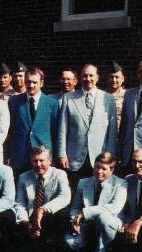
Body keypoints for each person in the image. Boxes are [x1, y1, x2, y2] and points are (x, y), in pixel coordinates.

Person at [57, 64, 118, 192]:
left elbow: (112, 132)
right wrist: (62, 154)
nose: (88, 78)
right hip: (74, 158)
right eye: (85, 75)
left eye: (91, 75)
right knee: (74, 192)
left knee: (98, 193)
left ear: (97, 77)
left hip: (100, 157)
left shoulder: (108, 99)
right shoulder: (68, 98)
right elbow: (62, 129)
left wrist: (110, 155)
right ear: (80, 78)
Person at [64, 152, 127, 252]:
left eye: (104, 169)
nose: (99, 171)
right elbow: (75, 207)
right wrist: (74, 221)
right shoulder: (83, 182)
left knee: (103, 218)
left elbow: (114, 208)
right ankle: (91, 248)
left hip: (110, 223)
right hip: (88, 224)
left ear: (112, 170)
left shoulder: (120, 184)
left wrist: (85, 212)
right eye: (97, 167)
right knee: (71, 242)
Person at [14, 146, 71, 252]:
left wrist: (42, 209)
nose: (38, 164)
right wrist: (26, 223)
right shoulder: (23, 177)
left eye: (42, 161)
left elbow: (65, 197)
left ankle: (49, 245)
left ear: (50, 160)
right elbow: (19, 203)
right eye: (35, 161)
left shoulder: (60, 174)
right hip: (30, 217)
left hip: (49, 216)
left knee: (63, 214)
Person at [8, 67, 59, 176]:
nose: (31, 85)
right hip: (20, 155)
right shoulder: (14, 101)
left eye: (34, 82)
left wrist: (52, 155)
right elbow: (11, 130)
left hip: (43, 157)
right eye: (28, 82)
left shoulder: (52, 103)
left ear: (41, 83)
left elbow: (55, 132)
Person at [106, 61, 126, 128]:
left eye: (117, 77)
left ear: (122, 79)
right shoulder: (101, 96)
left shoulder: (128, 96)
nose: (114, 80)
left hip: (121, 134)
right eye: (111, 77)